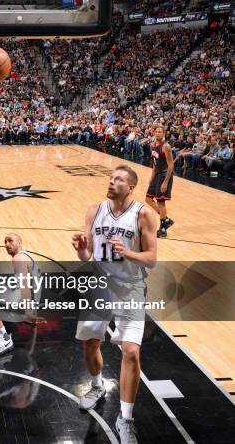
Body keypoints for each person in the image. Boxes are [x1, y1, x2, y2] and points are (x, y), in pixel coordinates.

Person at [72, 165, 157, 444]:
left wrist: (128, 252)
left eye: (118, 179)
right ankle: (97, 387)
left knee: (131, 352)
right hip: (98, 285)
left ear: (130, 187)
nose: (111, 182)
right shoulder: (94, 210)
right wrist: (81, 247)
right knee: (90, 344)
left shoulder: (144, 214)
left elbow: (152, 259)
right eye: (110, 178)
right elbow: (87, 257)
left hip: (130, 288)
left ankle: (126, 419)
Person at [0, 233, 39, 356]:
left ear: (20, 243)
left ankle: (5, 339)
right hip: (30, 300)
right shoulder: (24, 256)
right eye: (5, 242)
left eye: (10, 241)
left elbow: (25, 288)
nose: (7, 244)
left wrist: (28, 313)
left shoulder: (18, 259)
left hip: (26, 303)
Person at [145, 126, 174, 238]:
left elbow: (171, 164)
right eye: (156, 131)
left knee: (161, 202)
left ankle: (163, 229)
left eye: (160, 132)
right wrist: (151, 177)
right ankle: (166, 219)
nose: (157, 133)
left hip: (164, 175)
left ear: (164, 134)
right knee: (148, 199)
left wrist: (165, 182)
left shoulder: (166, 146)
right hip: (157, 175)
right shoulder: (153, 145)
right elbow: (155, 164)